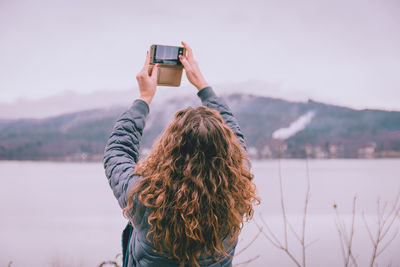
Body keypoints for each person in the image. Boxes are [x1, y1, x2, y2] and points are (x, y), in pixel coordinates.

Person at [103, 42, 259, 267]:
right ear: (229, 153)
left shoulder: (144, 198)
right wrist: (203, 86)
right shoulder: (236, 193)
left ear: (168, 149)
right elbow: (236, 136)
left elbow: (117, 151)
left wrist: (144, 98)